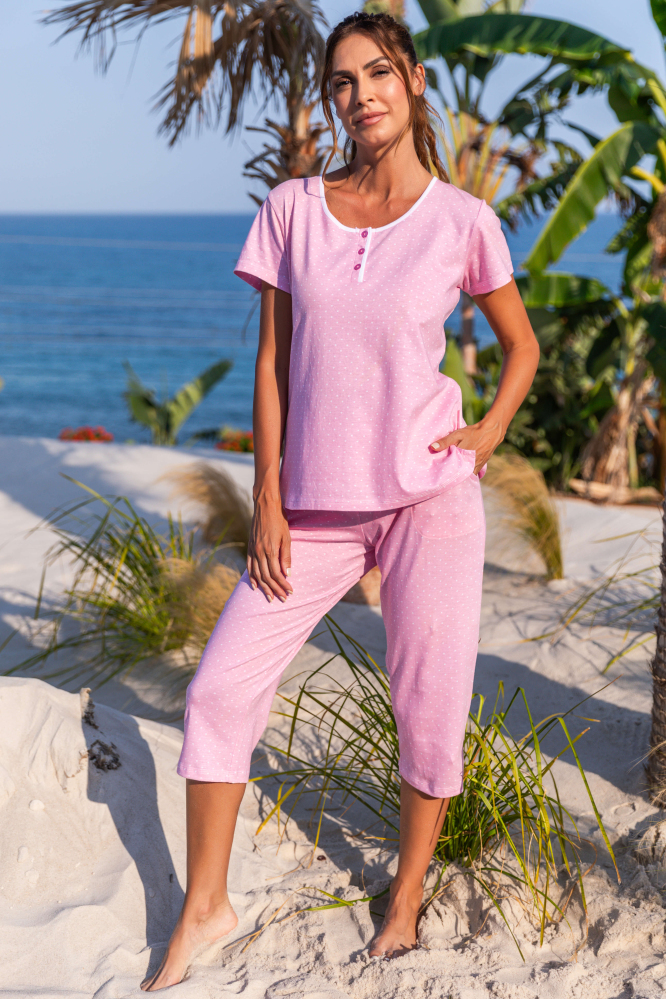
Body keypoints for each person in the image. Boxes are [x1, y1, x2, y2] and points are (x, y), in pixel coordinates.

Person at [140, 10, 540, 991]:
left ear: (412, 81)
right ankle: (205, 906)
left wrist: (487, 431)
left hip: (429, 501)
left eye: (378, 74)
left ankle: (403, 901)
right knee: (218, 690)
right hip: (313, 508)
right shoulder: (293, 209)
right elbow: (272, 364)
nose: (361, 95)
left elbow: (521, 346)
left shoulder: (462, 221)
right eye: (342, 82)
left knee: (429, 708)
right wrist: (268, 496)